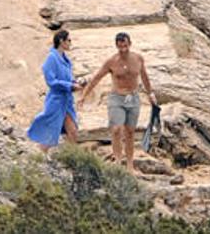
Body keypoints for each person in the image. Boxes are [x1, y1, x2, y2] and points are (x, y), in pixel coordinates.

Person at [77, 32, 157, 172]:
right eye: (120, 47)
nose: (123, 49)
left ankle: (130, 164)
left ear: (129, 44)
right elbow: (96, 78)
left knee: (130, 131)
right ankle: (118, 160)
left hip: (133, 97)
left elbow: (144, 77)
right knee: (116, 129)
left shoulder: (138, 59)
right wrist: (84, 96)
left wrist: (151, 93)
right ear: (116, 46)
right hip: (117, 97)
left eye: (125, 46)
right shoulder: (111, 62)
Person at [27, 30, 85, 155]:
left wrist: (76, 82)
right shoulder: (51, 58)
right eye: (68, 40)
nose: (70, 43)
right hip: (57, 101)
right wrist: (70, 86)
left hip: (67, 102)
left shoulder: (66, 60)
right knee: (51, 131)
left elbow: (68, 78)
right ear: (61, 41)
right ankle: (38, 156)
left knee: (72, 131)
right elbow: (51, 81)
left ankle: (72, 158)